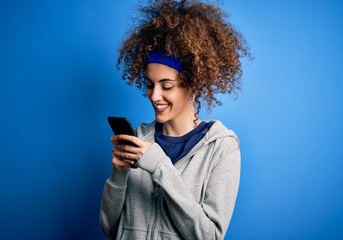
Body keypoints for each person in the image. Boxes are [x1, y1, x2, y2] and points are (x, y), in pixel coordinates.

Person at [99, 0, 250, 239]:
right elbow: (110, 228)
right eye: (149, 85)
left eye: (166, 86)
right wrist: (118, 175)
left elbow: (208, 236)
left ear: (193, 85)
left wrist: (160, 166)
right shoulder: (139, 138)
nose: (154, 96)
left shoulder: (221, 148)